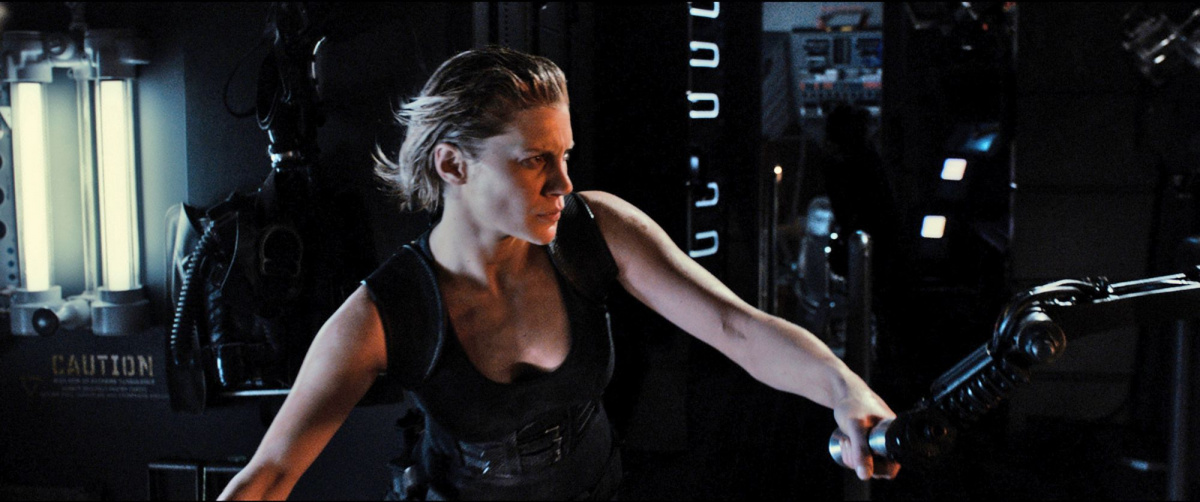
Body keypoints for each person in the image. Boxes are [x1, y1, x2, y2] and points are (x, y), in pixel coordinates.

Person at [218, 46, 899, 501]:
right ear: (452, 164)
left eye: (564, 155)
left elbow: (735, 327)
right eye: (533, 160)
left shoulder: (594, 231)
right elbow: (270, 473)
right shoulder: (382, 315)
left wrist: (844, 389)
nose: (563, 183)